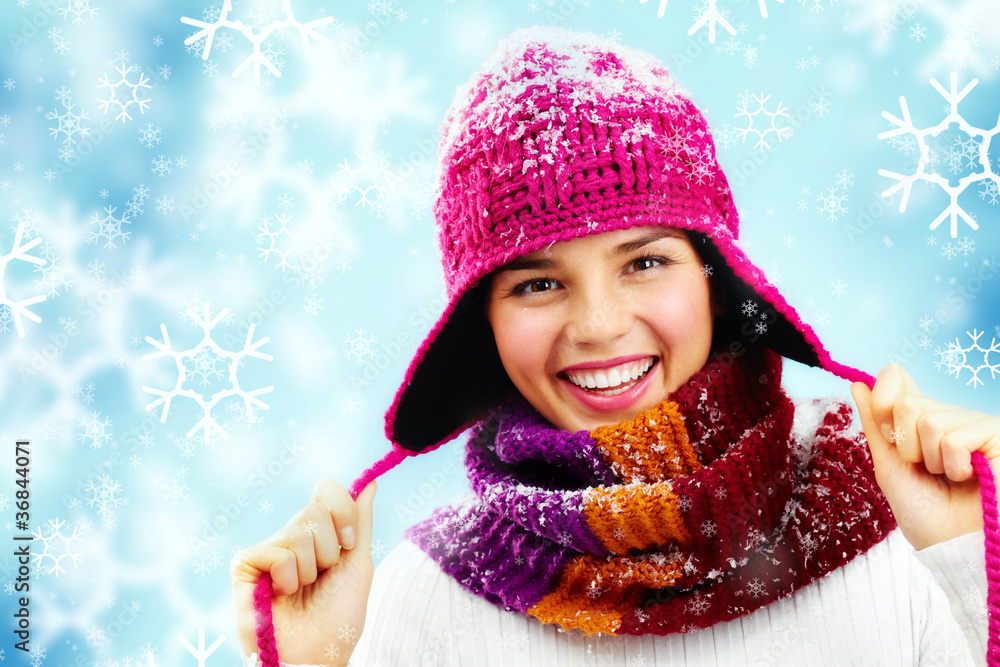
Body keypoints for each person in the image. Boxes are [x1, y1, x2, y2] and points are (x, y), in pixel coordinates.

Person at [231, 26, 1000, 666]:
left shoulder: (893, 521)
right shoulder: (421, 601)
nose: (598, 324)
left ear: (716, 278)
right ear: (483, 323)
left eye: (645, 262)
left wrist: (976, 563)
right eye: (536, 283)